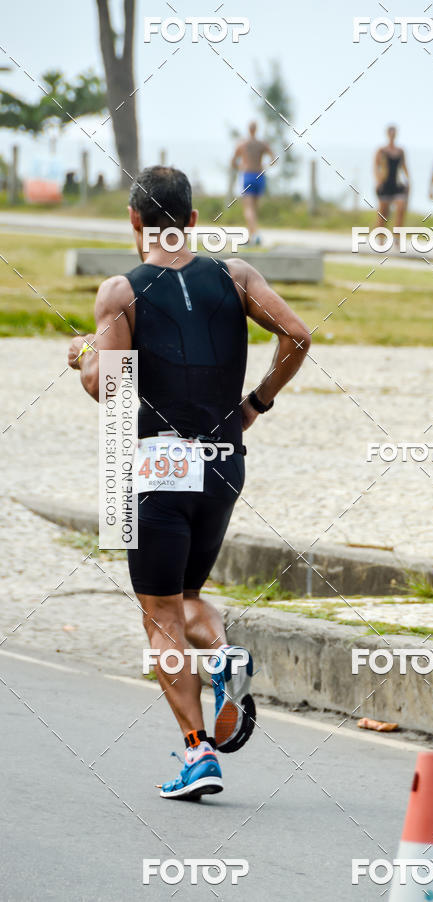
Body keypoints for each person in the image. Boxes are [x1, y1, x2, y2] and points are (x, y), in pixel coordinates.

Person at [67, 166, 311, 800]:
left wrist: (86, 360)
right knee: (188, 594)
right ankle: (225, 659)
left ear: (134, 222)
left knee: (159, 619)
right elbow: (298, 335)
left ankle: (198, 752)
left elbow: (112, 392)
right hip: (224, 462)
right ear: (195, 221)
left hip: (154, 470)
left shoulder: (120, 292)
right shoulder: (237, 276)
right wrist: (256, 402)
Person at [231, 121, 276, 245]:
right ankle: (252, 236)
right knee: (254, 208)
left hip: (248, 175)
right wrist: (266, 165)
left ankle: (254, 234)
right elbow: (274, 159)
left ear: (248, 129)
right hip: (260, 176)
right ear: (256, 129)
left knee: (248, 208)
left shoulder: (242, 144)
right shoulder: (262, 144)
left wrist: (240, 166)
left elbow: (233, 162)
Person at [374, 125, 410, 238]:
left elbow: (404, 167)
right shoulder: (381, 150)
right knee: (383, 213)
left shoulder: (400, 151)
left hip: (397, 184)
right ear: (388, 134)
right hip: (385, 184)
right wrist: (378, 181)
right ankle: (380, 237)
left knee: (401, 208)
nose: (392, 135)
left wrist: (408, 182)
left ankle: (396, 237)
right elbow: (376, 166)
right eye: (391, 133)